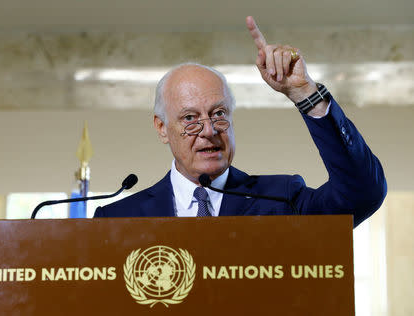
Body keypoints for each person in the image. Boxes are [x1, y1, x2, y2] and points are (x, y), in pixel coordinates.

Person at [94, 16, 386, 227]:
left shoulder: (282, 201)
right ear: (162, 128)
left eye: (219, 114)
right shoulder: (118, 219)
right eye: (190, 118)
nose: (209, 131)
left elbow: (363, 194)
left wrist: (305, 93)